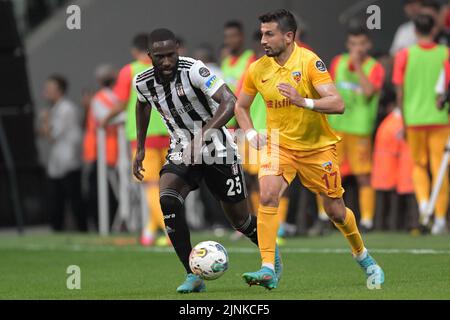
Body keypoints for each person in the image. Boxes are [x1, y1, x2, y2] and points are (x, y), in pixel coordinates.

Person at [234, 9, 384, 290]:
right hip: (279, 144)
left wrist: (304, 101)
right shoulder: (257, 69)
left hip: (317, 149)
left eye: (270, 34)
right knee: (266, 195)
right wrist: (251, 131)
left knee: (336, 211)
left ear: (289, 36)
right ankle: (268, 266)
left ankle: (364, 257)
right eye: (262, 34)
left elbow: (337, 103)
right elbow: (240, 106)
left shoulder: (309, 62)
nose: (263, 40)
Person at [132, 28, 282, 293]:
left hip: (218, 148)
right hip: (181, 146)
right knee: (167, 197)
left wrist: (201, 138)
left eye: (170, 55)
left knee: (241, 221)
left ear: (178, 48)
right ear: (150, 56)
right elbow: (142, 104)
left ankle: (271, 257)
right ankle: (192, 274)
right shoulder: (143, 81)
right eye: (159, 57)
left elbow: (229, 102)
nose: (166, 62)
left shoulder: (194, 70)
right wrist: (141, 148)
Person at [102, 34, 170, 246]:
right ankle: (149, 232)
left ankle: (169, 232)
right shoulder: (164, 67)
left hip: (144, 135)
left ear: (134, 51)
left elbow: (122, 103)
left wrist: (105, 119)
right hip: (169, 132)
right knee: (165, 185)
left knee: (150, 184)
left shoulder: (129, 71)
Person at [393, 14, 450, 234]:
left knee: (418, 165)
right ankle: (439, 220)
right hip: (441, 119)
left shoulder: (405, 55)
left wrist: (404, 120)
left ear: (414, 31)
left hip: (414, 119)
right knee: (440, 169)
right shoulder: (445, 53)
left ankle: (424, 204)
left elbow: (400, 92)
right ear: (434, 30)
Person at [327, 26, 385, 232]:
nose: (357, 48)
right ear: (347, 45)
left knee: (362, 175)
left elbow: (369, 92)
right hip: (337, 127)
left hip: (360, 129)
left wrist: (358, 66)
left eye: (361, 44)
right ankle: (330, 218)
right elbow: (328, 89)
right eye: (353, 44)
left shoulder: (374, 67)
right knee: (331, 174)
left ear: (368, 45)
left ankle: (367, 220)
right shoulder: (338, 63)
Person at [38, 74, 86, 232]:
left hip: (68, 161)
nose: (46, 92)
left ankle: (80, 229)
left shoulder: (66, 109)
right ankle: (58, 228)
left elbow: (52, 135)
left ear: (59, 90)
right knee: (57, 199)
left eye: (49, 88)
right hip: (59, 162)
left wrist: (45, 121)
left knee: (73, 199)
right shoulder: (57, 108)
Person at [82, 64, 120, 230]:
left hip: (106, 153)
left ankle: (105, 226)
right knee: (109, 194)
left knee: (104, 195)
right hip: (109, 152)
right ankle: (106, 225)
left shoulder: (101, 98)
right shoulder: (114, 98)